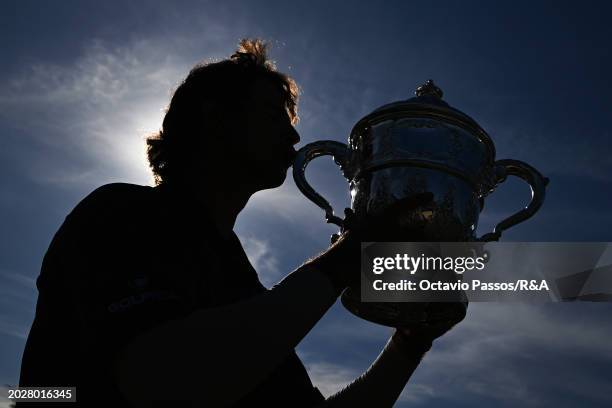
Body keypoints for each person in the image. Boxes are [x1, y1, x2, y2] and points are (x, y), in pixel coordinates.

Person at [17, 38, 466, 407]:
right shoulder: (119, 213)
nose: (293, 135)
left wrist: (410, 342)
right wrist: (348, 257)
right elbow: (159, 379)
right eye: (274, 116)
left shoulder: (246, 286)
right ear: (214, 117)